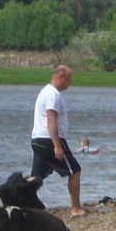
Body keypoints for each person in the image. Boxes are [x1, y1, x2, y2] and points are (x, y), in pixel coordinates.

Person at [31, 64, 85, 217]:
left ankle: (25, 204)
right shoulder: (53, 94)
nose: (70, 83)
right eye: (69, 80)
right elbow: (51, 120)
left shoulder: (45, 91)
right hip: (49, 139)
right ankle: (75, 208)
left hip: (37, 139)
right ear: (61, 78)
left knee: (36, 177)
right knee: (74, 171)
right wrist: (57, 146)